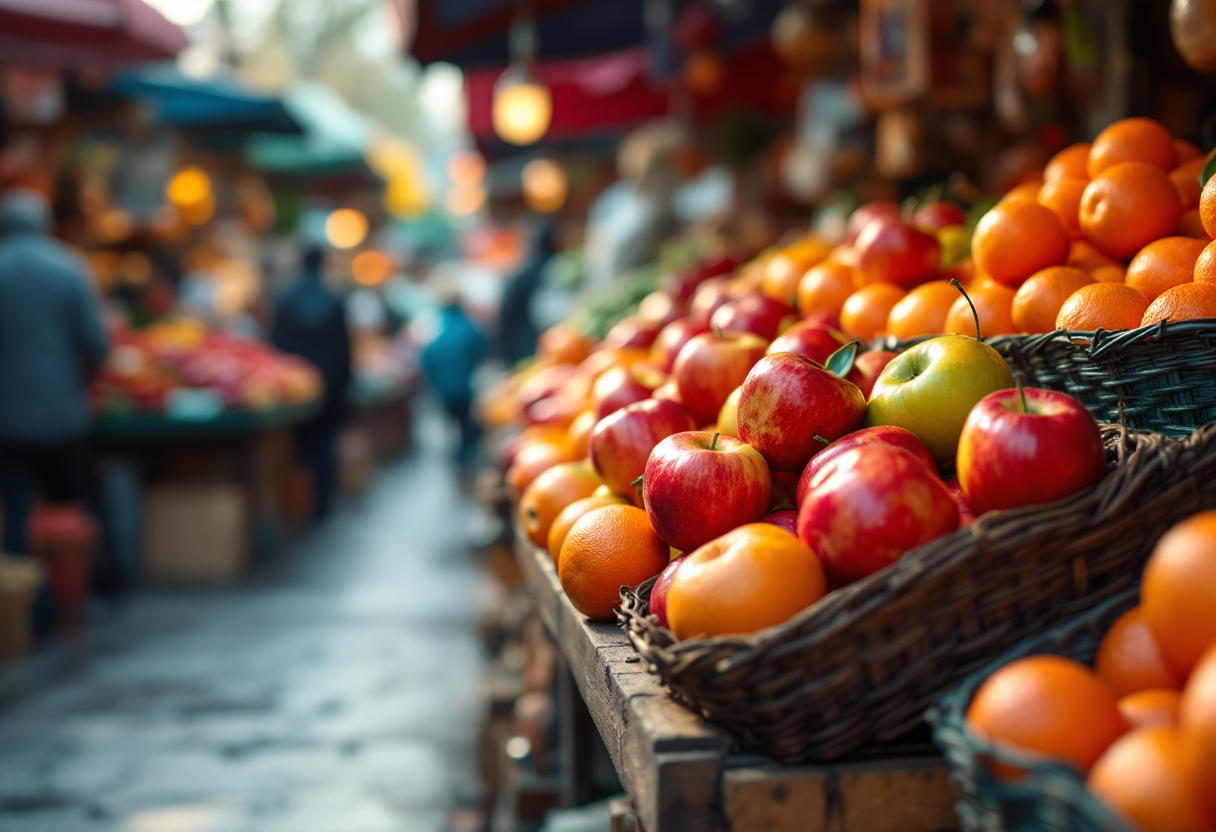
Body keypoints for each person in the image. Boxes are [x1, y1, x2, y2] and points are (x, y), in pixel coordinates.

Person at [0, 189, 108, 554]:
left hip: (7, 417)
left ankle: (26, 601)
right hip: (61, 413)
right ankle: (69, 591)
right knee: (66, 510)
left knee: (15, 512)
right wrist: (81, 384)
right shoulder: (68, 268)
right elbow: (95, 343)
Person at [271, 246, 352, 520]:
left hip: (295, 387)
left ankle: (296, 503)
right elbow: (344, 351)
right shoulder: (334, 299)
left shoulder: (284, 299)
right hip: (329, 384)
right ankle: (322, 502)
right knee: (324, 445)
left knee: (296, 446)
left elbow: (276, 346)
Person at [421, 283, 488, 474]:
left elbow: (426, 360)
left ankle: (459, 458)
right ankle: (464, 457)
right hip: (465, 389)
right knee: (469, 426)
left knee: (454, 424)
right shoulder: (468, 327)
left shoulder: (435, 330)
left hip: (444, 390)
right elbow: (482, 347)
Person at [495, 223, 556, 366]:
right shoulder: (557, 269)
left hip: (524, 342)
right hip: (552, 339)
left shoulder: (522, 275)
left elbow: (506, 314)